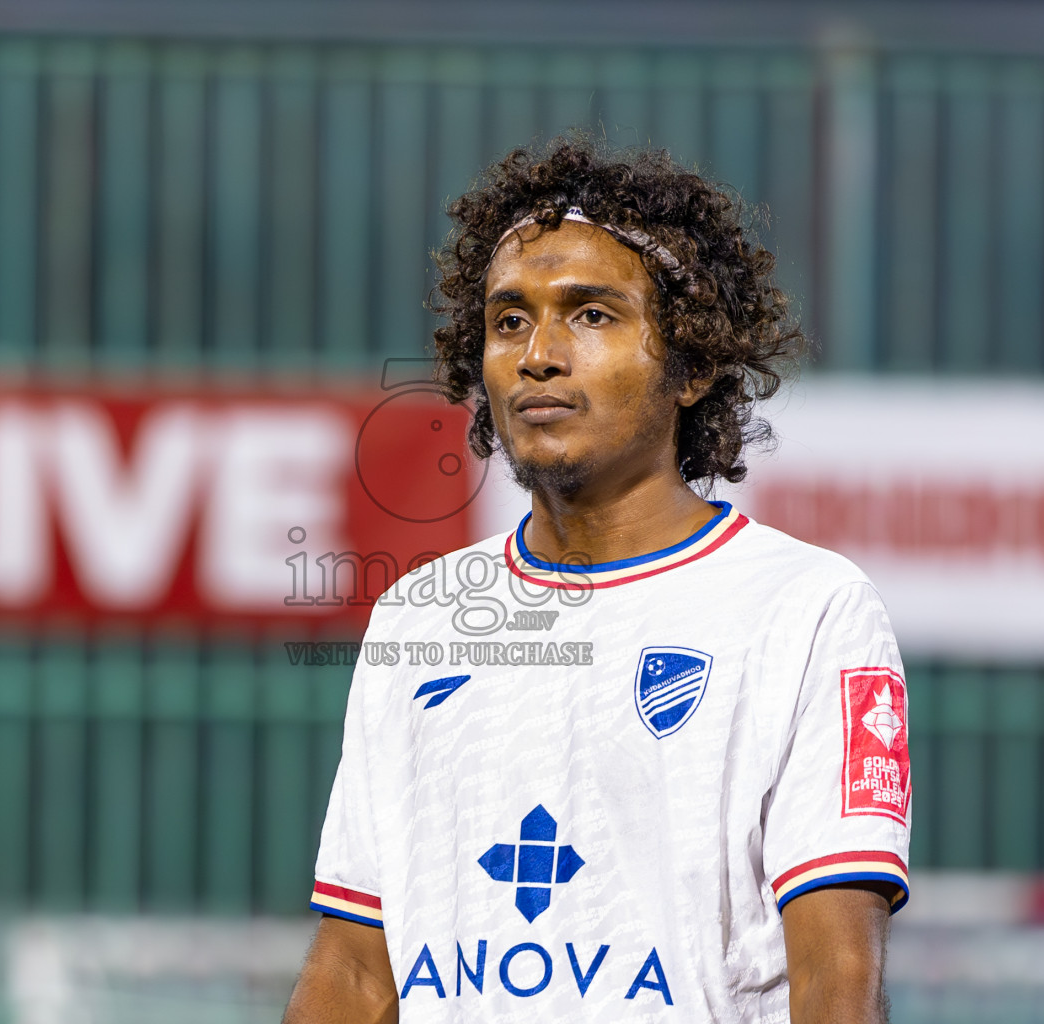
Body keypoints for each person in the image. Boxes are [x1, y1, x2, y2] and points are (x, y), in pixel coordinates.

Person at [283, 139, 911, 1023]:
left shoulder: (807, 609)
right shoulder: (419, 616)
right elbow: (353, 973)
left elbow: (836, 982)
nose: (538, 354)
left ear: (693, 364)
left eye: (591, 315)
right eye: (509, 321)